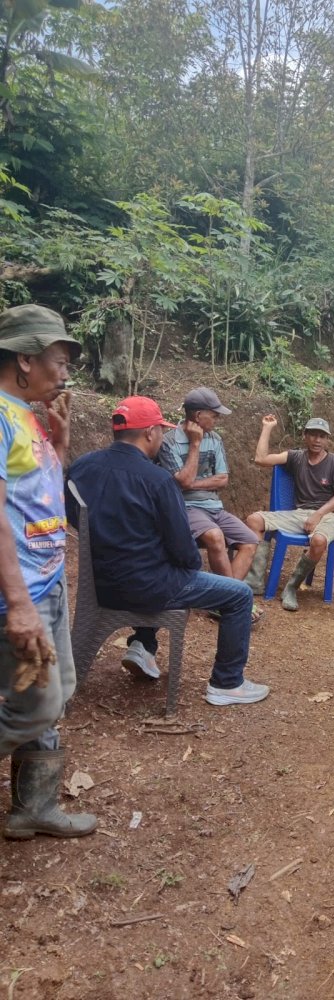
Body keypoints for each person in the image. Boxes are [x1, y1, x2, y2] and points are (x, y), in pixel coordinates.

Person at [66, 396, 270, 707]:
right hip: (148, 587)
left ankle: (144, 645)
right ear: (149, 433)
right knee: (239, 594)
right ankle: (227, 683)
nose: (162, 436)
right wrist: (182, 563)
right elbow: (186, 553)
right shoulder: (158, 480)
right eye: (160, 430)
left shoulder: (81, 467)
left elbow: (72, 516)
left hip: (100, 583)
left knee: (171, 576)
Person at [0, 303, 96, 839]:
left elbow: (35, 500)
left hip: (48, 582)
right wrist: (17, 604)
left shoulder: (26, 415)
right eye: (58, 359)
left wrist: (57, 445)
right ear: (23, 360)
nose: (64, 372)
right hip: (19, 594)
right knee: (35, 708)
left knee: (57, 689)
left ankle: (33, 807)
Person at [157, 386, 263, 628]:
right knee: (215, 537)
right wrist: (195, 445)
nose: (217, 418)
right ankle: (233, 602)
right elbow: (180, 486)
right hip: (185, 508)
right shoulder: (169, 441)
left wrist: (191, 482)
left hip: (214, 507)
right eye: (213, 414)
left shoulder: (215, 439)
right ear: (197, 416)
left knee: (249, 541)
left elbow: (222, 479)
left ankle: (223, 601)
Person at [245, 415, 334, 611]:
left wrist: (318, 514)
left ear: (327, 439)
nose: (317, 440)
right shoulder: (296, 457)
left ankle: (291, 587)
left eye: (322, 436)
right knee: (254, 520)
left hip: (330, 515)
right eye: (313, 435)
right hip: (299, 514)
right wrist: (267, 428)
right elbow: (261, 459)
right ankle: (255, 582)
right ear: (305, 436)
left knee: (319, 541)